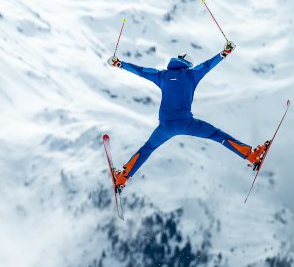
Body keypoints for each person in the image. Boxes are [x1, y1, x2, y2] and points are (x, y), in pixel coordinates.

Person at [106, 41, 268, 191]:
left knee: (148, 148)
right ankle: (251, 155)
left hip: (165, 126)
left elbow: (141, 71)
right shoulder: (192, 74)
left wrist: (119, 63)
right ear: (189, 65)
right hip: (186, 122)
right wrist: (224, 52)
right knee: (217, 135)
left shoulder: (162, 75)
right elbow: (208, 65)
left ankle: (123, 177)